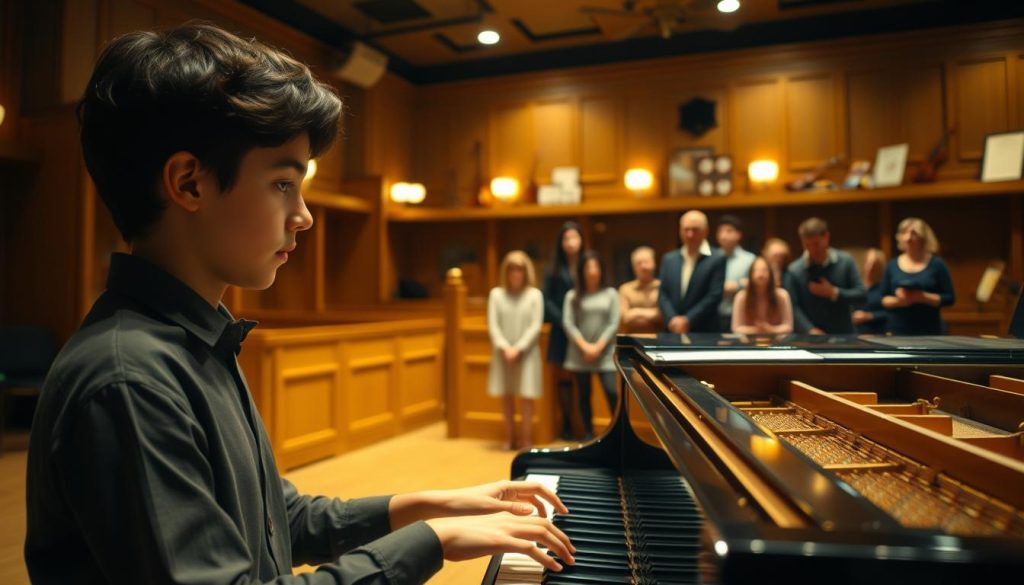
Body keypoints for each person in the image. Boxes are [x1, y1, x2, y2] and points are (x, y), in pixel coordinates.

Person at [25, 23, 574, 585]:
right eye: (283, 184)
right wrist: (431, 543)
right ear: (189, 184)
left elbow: (276, 521)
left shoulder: (197, 340)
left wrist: (431, 507)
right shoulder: (129, 381)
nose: (304, 216)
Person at [487, 251, 544, 451]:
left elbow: (535, 326)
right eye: (511, 268)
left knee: (526, 397)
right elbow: (493, 326)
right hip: (502, 354)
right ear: (506, 271)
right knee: (506, 395)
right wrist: (505, 348)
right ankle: (509, 437)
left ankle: (526, 439)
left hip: (527, 354)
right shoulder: (496, 294)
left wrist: (518, 348)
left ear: (526, 271)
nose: (515, 273)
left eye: (519, 268)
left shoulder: (535, 295)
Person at [562, 250, 620, 440]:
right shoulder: (572, 296)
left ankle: (615, 432)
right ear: (581, 271)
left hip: (605, 353)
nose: (593, 271)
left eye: (596, 266)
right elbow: (568, 323)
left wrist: (598, 347)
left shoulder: (611, 293)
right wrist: (585, 347)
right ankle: (589, 433)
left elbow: (614, 323)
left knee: (612, 392)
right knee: (584, 395)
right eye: (588, 267)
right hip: (580, 353)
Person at [785, 217, 866, 334]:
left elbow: (862, 295)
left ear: (827, 237)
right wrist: (809, 329)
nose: (812, 250)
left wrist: (833, 292)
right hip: (809, 339)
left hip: (844, 336)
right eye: (807, 245)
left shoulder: (845, 261)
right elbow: (793, 307)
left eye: (816, 244)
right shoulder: (794, 270)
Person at [880, 218, 955, 335]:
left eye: (913, 233)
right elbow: (883, 299)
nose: (908, 238)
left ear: (924, 237)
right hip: (898, 331)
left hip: (929, 331)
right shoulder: (892, 265)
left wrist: (922, 297)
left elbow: (949, 298)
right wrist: (901, 301)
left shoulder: (937, 264)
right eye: (904, 233)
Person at [543, 221, 583, 441]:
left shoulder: (587, 264)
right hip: (560, 330)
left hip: (585, 330)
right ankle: (566, 423)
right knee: (564, 378)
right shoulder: (553, 269)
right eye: (566, 238)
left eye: (574, 238)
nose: (570, 243)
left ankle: (583, 424)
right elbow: (546, 300)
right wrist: (564, 322)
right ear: (561, 243)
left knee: (583, 377)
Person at [658, 210, 726, 333]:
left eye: (695, 230)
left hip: (705, 331)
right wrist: (672, 319)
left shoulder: (717, 258)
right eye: (686, 229)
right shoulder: (669, 259)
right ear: (680, 230)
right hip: (672, 329)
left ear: (706, 231)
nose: (690, 234)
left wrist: (688, 320)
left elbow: (714, 295)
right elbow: (663, 294)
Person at [731, 256, 794, 335]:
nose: (760, 274)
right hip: (748, 343)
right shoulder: (741, 297)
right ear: (750, 274)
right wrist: (756, 330)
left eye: (764, 270)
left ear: (770, 274)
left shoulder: (782, 296)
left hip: (776, 342)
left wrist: (771, 329)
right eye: (756, 270)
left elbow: (788, 327)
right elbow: (736, 328)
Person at [715, 214, 756, 332]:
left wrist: (738, 285)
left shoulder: (750, 259)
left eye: (728, 231)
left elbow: (755, 285)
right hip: (714, 315)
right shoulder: (711, 258)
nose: (723, 235)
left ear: (738, 234)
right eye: (720, 231)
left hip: (741, 315)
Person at [618, 246, 662, 334]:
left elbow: (663, 316)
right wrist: (653, 315)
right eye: (639, 263)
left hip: (658, 341)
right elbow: (624, 317)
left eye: (646, 262)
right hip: (630, 341)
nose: (643, 266)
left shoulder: (662, 287)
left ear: (654, 263)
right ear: (633, 267)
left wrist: (635, 312)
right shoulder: (625, 289)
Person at [852, 248, 888, 335]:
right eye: (869, 263)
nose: (871, 268)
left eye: (875, 265)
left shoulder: (884, 286)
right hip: (853, 333)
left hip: (876, 333)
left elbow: (890, 313)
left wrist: (869, 316)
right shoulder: (855, 284)